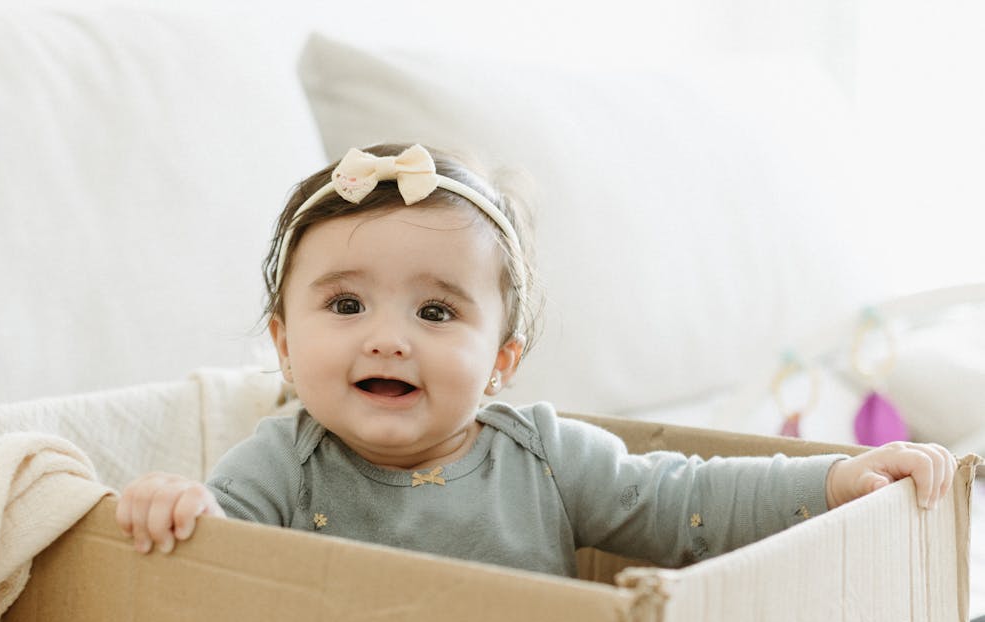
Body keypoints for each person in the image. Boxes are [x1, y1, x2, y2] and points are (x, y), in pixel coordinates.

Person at [117, 142, 957, 576]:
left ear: (501, 361)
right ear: (283, 346)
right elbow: (222, 570)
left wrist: (831, 481)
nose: (387, 337)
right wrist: (180, 510)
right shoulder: (281, 464)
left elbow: (691, 500)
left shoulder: (545, 459)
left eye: (436, 311)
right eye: (345, 305)